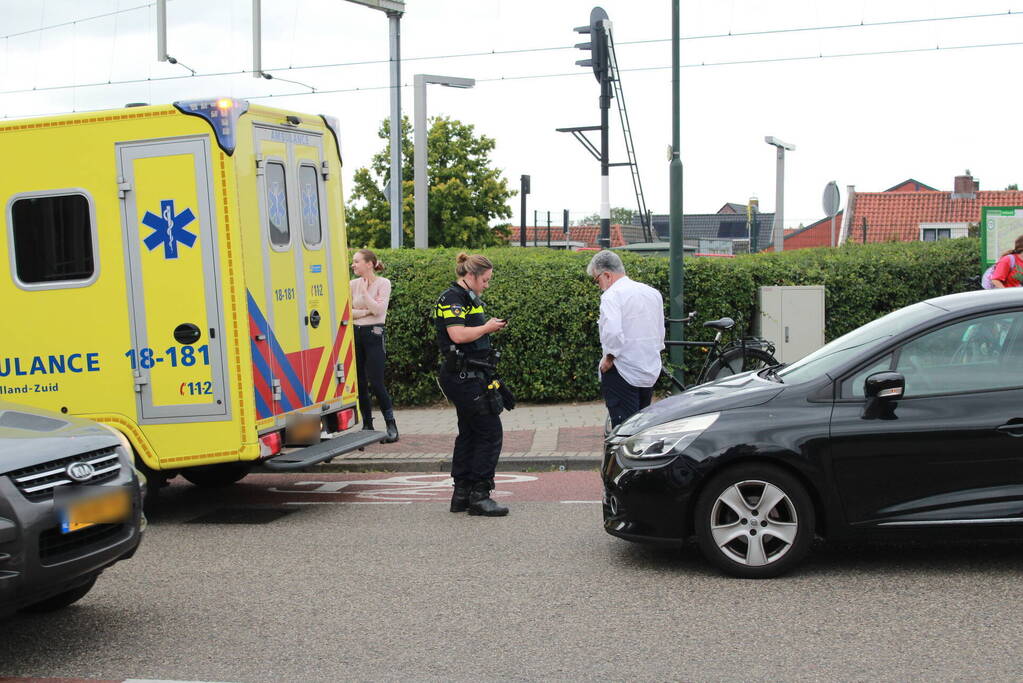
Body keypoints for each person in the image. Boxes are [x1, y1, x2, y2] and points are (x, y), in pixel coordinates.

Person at [435, 252, 509, 516]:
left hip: (471, 374)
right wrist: (487, 328)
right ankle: (480, 494)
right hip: (463, 376)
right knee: (490, 433)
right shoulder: (452, 298)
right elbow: (457, 334)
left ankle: (462, 494)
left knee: (470, 432)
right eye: (485, 280)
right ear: (472, 275)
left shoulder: (468, 298)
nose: (487, 285)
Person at [587, 250, 665, 428]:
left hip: (622, 370)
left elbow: (613, 333)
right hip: (648, 370)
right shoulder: (652, 293)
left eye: (596, 279)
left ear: (606, 275)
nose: (598, 285)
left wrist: (609, 358)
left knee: (623, 430)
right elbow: (660, 333)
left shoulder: (611, 295)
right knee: (641, 428)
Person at [351, 248, 398, 443]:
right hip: (356, 333)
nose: (353, 265)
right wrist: (366, 312)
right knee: (360, 382)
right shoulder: (352, 284)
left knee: (376, 381)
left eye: (356, 261)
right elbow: (347, 312)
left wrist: (364, 295)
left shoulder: (383, 283)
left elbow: (380, 310)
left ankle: (391, 425)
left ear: (369, 264)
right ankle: (367, 425)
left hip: (374, 334)